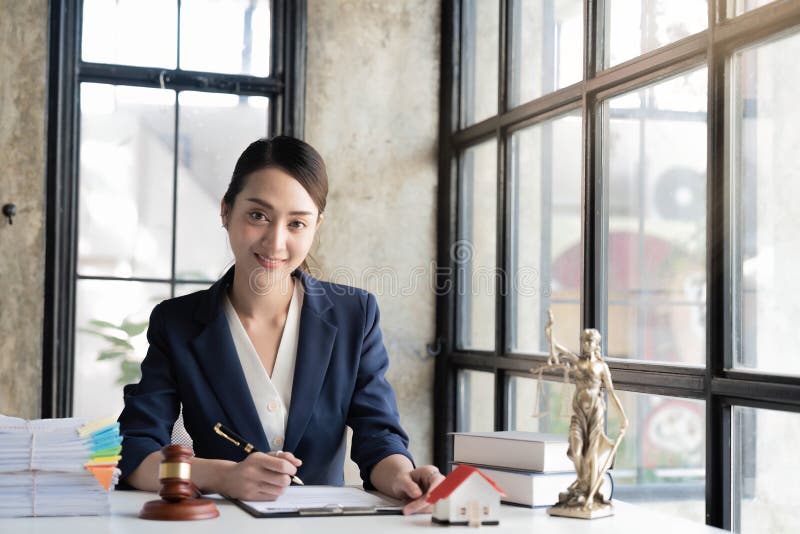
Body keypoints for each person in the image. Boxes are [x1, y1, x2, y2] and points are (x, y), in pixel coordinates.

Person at [118, 136, 443, 514]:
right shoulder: (177, 324)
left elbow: (380, 438)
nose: (275, 242)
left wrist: (403, 475)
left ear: (316, 226)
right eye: (258, 215)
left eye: (297, 223)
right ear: (226, 211)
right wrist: (222, 476)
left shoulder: (355, 314)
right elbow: (135, 452)